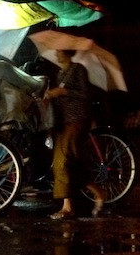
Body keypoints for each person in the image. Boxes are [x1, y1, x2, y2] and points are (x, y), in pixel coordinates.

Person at [43, 49, 106, 219]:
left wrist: (63, 92)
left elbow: (85, 94)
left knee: (62, 158)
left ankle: (67, 207)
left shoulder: (78, 69)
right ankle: (98, 192)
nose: (56, 54)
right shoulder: (59, 73)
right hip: (62, 121)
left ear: (67, 52)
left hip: (77, 119)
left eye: (59, 51)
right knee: (71, 161)